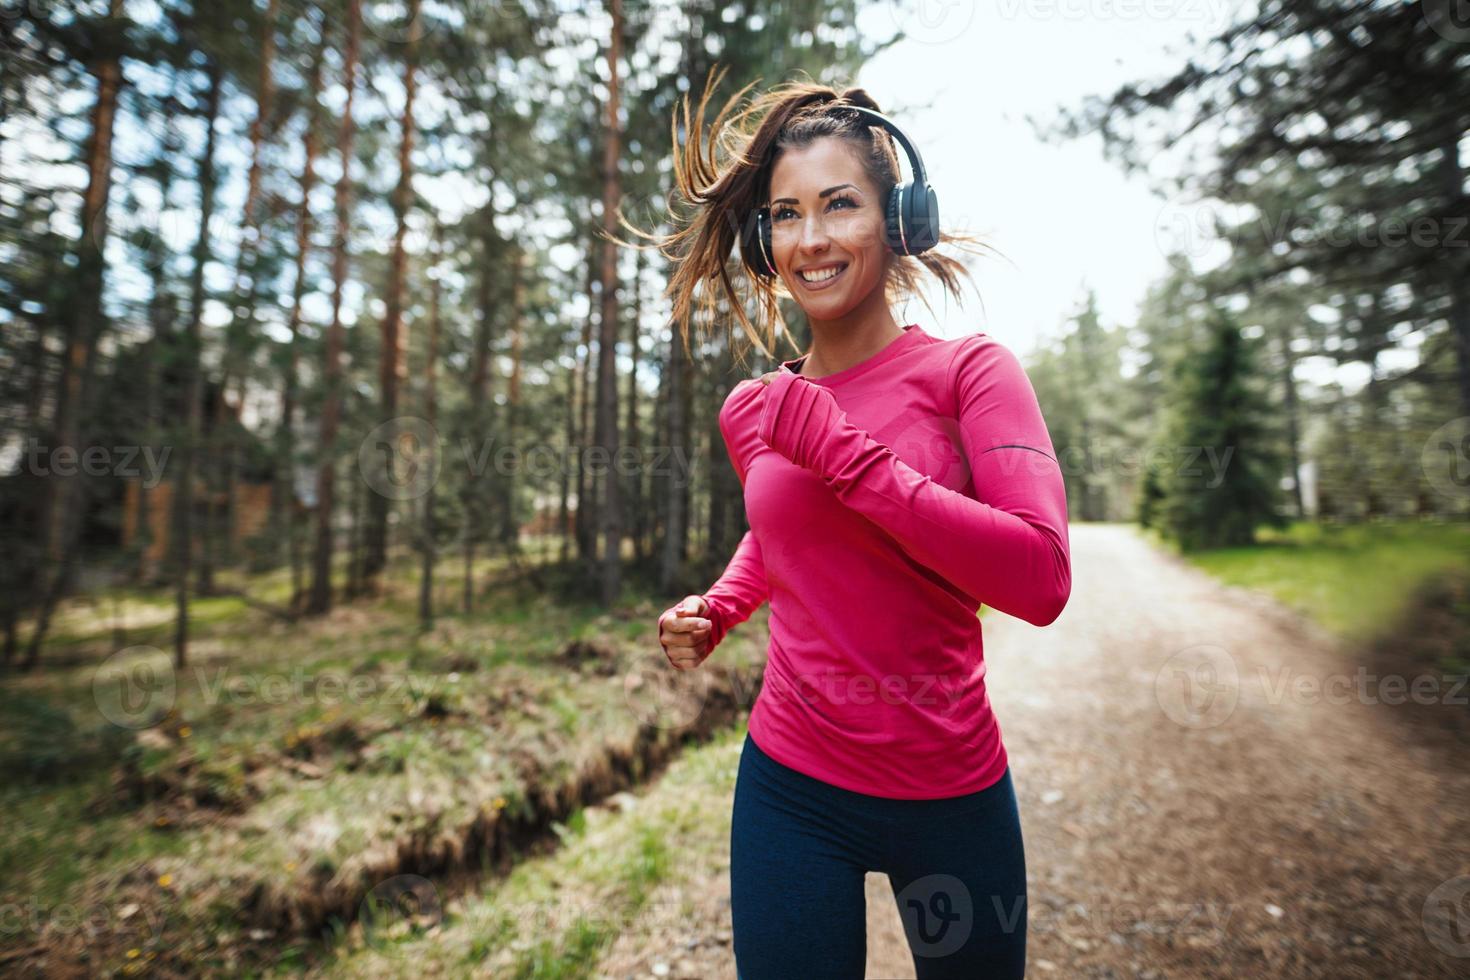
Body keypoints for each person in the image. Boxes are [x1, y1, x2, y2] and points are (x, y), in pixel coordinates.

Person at [638, 66, 1072, 979]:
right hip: (790, 787)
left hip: (950, 790)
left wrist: (849, 457)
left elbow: (1040, 580)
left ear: (898, 221)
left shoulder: (973, 375)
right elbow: (783, 533)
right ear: (766, 242)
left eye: (839, 205)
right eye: (786, 215)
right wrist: (719, 606)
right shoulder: (753, 410)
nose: (812, 238)